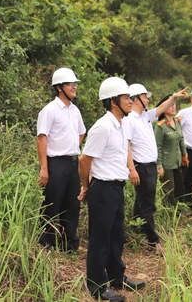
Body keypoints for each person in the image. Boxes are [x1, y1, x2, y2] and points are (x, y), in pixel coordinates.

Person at [78, 77, 145, 302]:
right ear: (113, 101)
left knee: (117, 235)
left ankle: (117, 277)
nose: (131, 101)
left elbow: (123, 150)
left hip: (116, 188)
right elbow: (84, 160)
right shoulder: (102, 127)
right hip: (102, 189)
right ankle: (97, 287)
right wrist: (86, 186)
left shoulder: (122, 124)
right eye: (126, 97)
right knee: (100, 239)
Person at [123, 84, 188, 255]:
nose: (148, 99)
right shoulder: (129, 119)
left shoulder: (144, 116)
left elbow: (160, 108)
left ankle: (135, 227)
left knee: (142, 199)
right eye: (145, 96)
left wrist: (173, 97)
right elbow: (127, 145)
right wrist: (132, 169)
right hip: (141, 166)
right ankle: (153, 240)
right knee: (148, 203)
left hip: (149, 165)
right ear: (136, 98)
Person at [36, 67, 85, 252]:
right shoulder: (49, 110)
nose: (74, 87)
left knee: (73, 203)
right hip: (55, 163)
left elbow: (82, 132)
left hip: (73, 162)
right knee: (52, 202)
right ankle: (46, 243)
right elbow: (42, 138)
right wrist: (44, 167)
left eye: (75, 84)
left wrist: (71, 147)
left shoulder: (75, 110)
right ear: (59, 87)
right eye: (70, 84)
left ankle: (70, 243)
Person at [154, 94, 189, 208]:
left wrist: (184, 155)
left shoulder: (177, 122)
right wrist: (159, 165)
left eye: (174, 105)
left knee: (179, 187)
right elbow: (158, 147)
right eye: (170, 105)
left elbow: (181, 139)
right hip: (166, 163)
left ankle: (179, 211)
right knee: (169, 190)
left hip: (178, 161)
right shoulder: (160, 126)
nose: (173, 107)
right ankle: (169, 212)